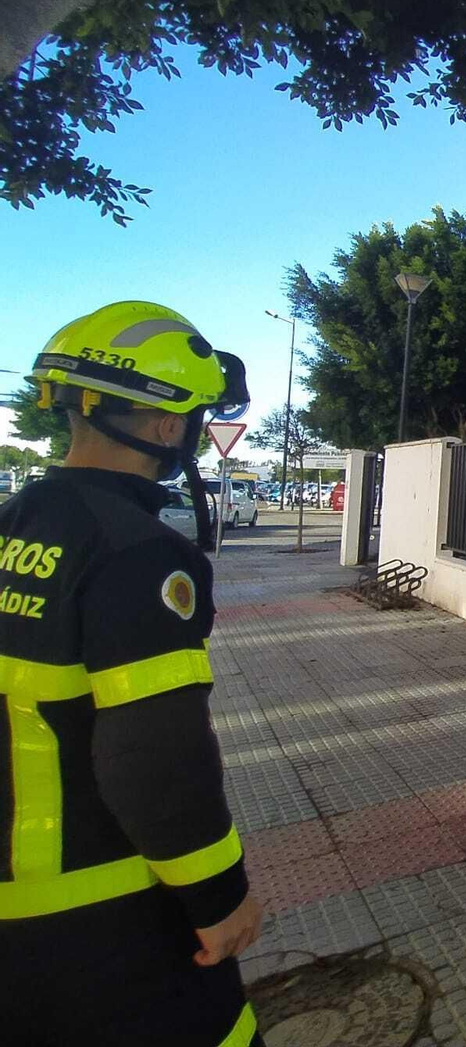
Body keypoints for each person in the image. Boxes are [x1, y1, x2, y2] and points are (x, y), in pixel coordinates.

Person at [0, 301, 263, 1046]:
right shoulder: (137, 552)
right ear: (163, 425)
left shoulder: (14, 524)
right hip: (96, 914)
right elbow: (153, 755)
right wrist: (220, 896)